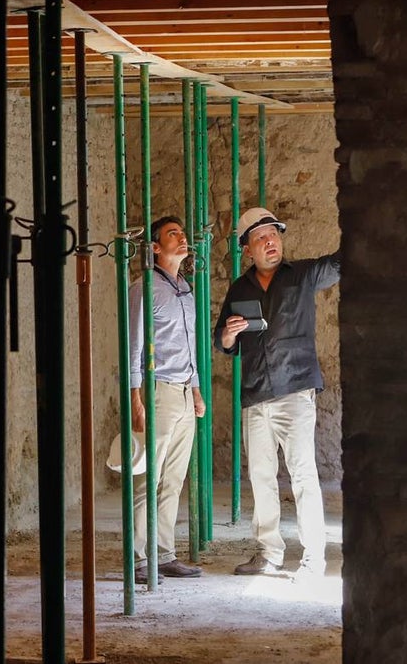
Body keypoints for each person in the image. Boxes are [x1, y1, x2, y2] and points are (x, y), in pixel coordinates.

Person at [214, 207, 340, 582]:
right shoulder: (239, 289)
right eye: (261, 238)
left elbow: (341, 263)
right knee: (262, 478)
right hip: (255, 395)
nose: (271, 242)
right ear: (248, 250)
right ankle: (269, 554)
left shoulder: (302, 275)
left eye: (274, 235)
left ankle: (313, 559)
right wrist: (229, 334)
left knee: (303, 476)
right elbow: (223, 341)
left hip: (296, 389)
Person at [125, 215, 206, 584]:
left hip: (184, 394)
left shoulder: (185, 288)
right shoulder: (144, 287)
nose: (182, 237)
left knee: (173, 479)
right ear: (156, 247)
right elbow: (133, 345)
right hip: (157, 390)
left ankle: (165, 553)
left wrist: (197, 390)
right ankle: (140, 559)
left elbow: (190, 345)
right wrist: (136, 400)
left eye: (182, 232)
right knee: (147, 476)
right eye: (173, 233)